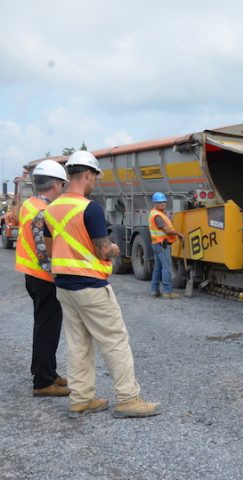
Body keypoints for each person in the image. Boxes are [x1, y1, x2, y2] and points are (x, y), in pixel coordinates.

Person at [44, 151, 160, 418]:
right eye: (94, 176)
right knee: (115, 340)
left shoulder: (51, 210)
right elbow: (104, 251)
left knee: (78, 344)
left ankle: (81, 398)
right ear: (87, 175)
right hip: (90, 285)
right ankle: (128, 399)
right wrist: (116, 248)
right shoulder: (89, 208)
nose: (94, 181)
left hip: (64, 286)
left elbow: (51, 250)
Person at [15, 160, 70, 397]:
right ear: (56, 184)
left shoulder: (30, 203)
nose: (64, 189)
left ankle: (47, 371)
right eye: (63, 184)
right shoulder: (42, 211)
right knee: (48, 328)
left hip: (33, 276)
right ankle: (43, 381)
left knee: (44, 326)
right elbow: (42, 249)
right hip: (43, 277)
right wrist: (56, 274)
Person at [148, 192, 183, 299]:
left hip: (157, 244)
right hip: (162, 244)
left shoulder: (157, 213)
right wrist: (178, 234)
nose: (163, 204)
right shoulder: (157, 216)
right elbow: (166, 230)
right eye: (160, 202)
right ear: (155, 203)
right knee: (166, 268)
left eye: (164, 202)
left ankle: (154, 290)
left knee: (158, 268)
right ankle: (167, 292)